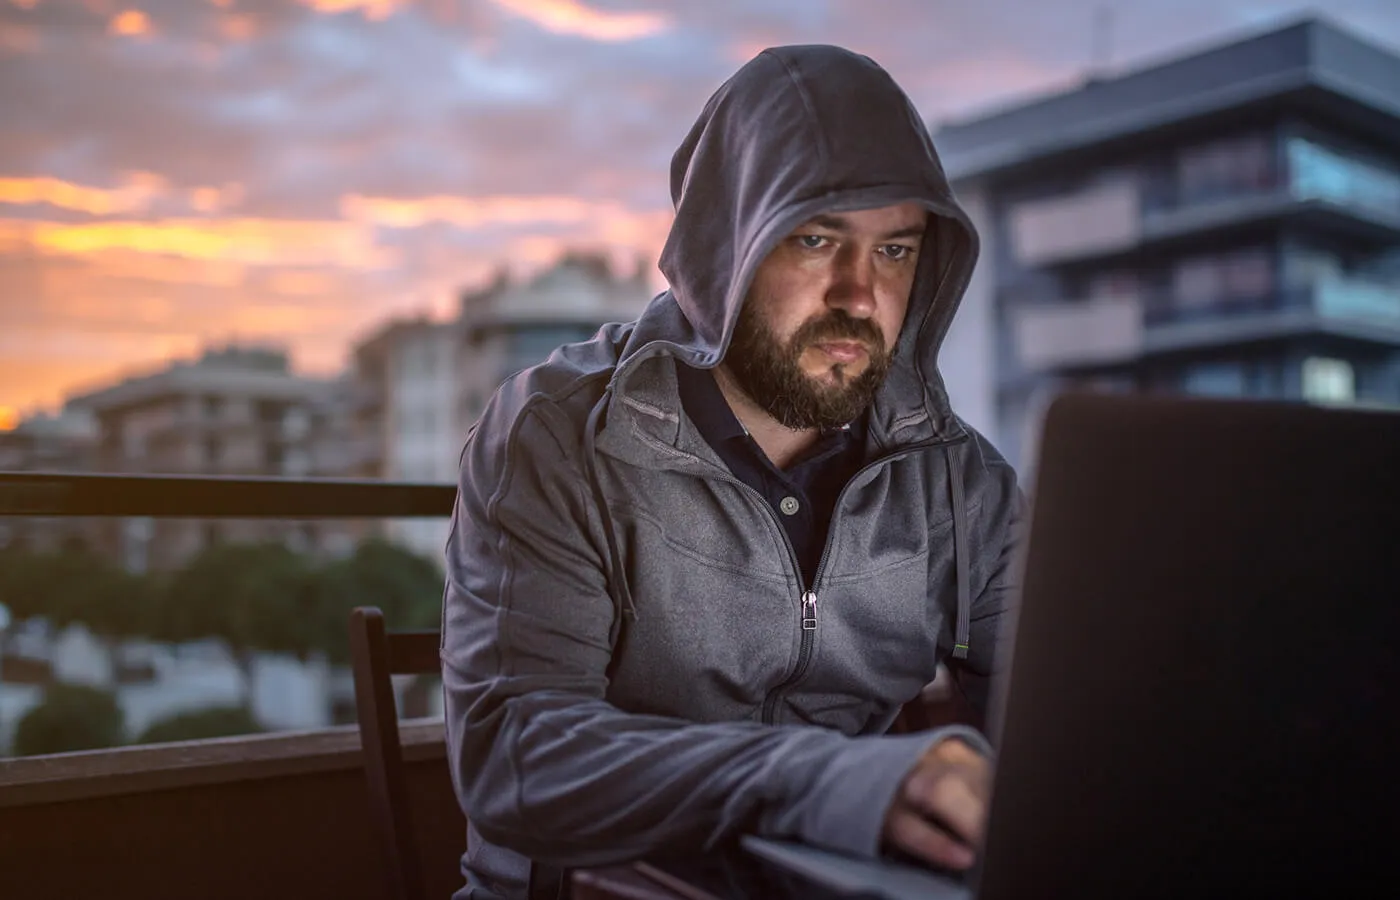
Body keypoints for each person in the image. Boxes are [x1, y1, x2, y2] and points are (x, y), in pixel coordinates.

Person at [441, 43, 1024, 900]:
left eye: (895, 250)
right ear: (725, 254)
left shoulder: (958, 481)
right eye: (816, 239)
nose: (860, 296)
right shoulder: (556, 434)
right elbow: (519, 758)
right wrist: (833, 784)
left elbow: (1065, 715)